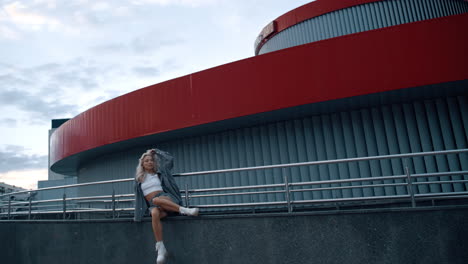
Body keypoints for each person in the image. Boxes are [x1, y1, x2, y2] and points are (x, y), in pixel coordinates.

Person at [134, 148, 199, 264]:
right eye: (146, 161)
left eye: (151, 160)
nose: (149, 162)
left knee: (157, 200)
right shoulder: (139, 179)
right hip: (152, 205)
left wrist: (157, 152)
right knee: (154, 213)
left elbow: (170, 160)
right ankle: (161, 248)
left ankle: (184, 210)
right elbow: (139, 198)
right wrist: (138, 214)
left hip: (165, 197)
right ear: (142, 164)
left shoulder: (160, 172)